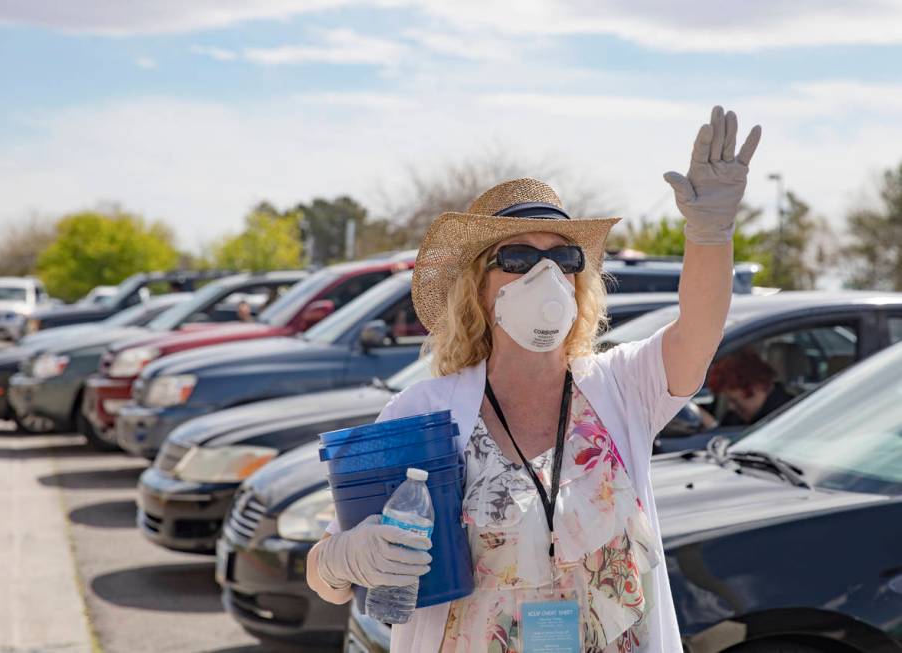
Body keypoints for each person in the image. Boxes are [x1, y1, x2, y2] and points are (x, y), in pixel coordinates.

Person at [306, 105, 761, 652]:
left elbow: (700, 330)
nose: (546, 275)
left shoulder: (621, 387)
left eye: (564, 258)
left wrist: (710, 235)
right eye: (518, 257)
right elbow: (326, 581)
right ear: (478, 286)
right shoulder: (423, 413)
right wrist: (347, 557)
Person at [703, 349, 797, 427]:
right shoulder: (736, 417)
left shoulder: (788, 415)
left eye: (735, 401)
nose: (731, 407)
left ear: (757, 388)